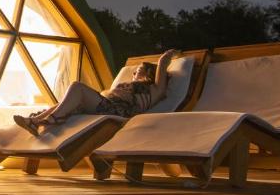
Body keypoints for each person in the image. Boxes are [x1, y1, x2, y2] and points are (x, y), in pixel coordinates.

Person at [14, 49, 179, 135]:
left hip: (117, 111)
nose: (135, 73)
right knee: (64, 102)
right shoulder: (128, 85)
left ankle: (55, 118)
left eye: (139, 70)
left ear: (149, 74)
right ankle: (35, 121)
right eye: (134, 71)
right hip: (104, 104)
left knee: (77, 86)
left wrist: (170, 54)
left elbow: (163, 63)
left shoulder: (153, 89)